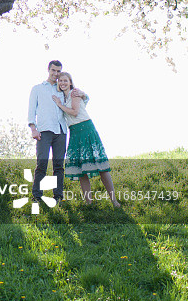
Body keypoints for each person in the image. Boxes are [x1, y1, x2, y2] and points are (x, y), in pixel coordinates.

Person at [53, 72, 120, 208]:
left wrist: (60, 105)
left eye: (65, 80)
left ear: (70, 82)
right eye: (60, 81)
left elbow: (75, 112)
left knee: (101, 166)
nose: (63, 83)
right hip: (75, 132)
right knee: (81, 169)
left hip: (86, 129)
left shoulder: (74, 93)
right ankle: (89, 203)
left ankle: (114, 201)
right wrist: (84, 95)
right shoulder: (65, 96)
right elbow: (86, 99)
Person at [27, 60, 86, 205]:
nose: (56, 73)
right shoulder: (38, 89)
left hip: (61, 131)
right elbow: (31, 111)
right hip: (44, 130)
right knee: (42, 163)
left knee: (59, 165)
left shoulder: (63, 89)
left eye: (58, 71)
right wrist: (33, 129)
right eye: (53, 70)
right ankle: (37, 196)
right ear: (48, 70)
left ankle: (58, 196)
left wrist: (83, 94)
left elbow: (79, 103)